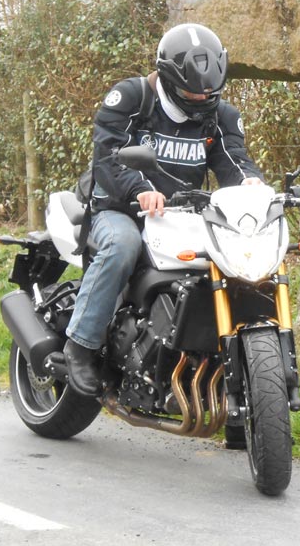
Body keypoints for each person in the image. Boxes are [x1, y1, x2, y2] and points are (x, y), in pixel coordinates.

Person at [63, 23, 264, 396]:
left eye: (211, 92)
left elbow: (232, 160)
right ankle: (81, 345)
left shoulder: (218, 113)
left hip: (184, 215)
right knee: (122, 246)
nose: (202, 99)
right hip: (118, 209)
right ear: (169, 77)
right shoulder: (132, 98)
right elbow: (107, 161)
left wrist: (250, 183)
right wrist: (140, 190)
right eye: (192, 90)